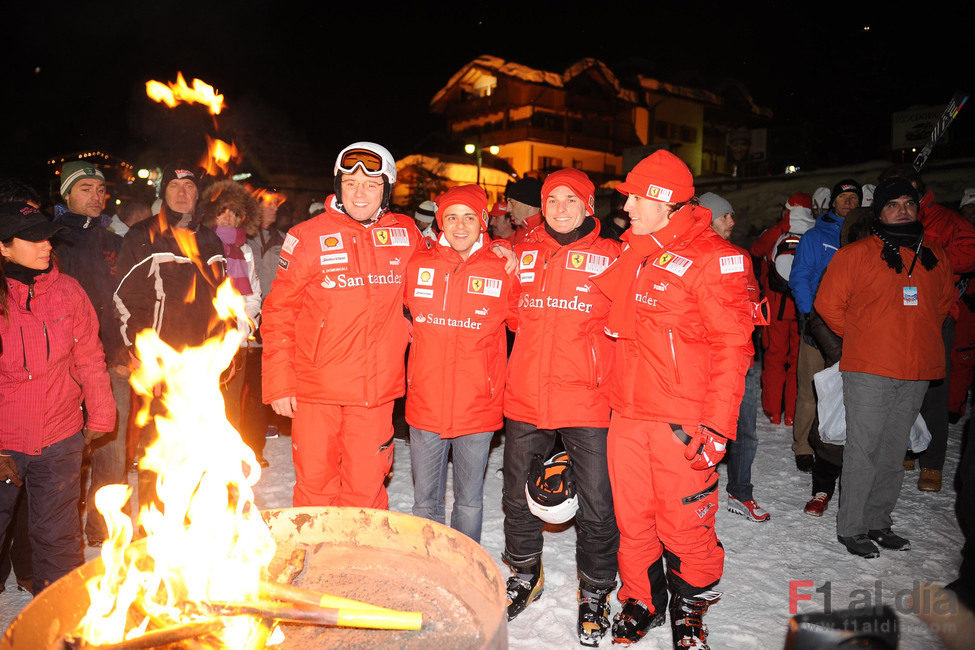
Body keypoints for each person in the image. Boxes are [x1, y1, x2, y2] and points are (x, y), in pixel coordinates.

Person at [591, 151, 753, 648]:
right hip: (628, 415)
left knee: (684, 524)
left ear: (663, 200)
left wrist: (718, 426)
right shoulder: (633, 249)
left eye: (636, 197)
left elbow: (733, 348)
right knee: (632, 519)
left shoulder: (714, 257)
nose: (627, 206)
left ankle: (690, 607)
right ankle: (642, 599)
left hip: (680, 421)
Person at [261, 142, 425, 509]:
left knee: (366, 490)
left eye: (371, 183)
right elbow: (278, 311)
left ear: (387, 188)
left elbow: (442, 271)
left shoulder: (407, 234)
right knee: (315, 488)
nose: (360, 192)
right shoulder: (307, 236)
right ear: (338, 187)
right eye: (351, 182)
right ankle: (317, 561)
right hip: (316, 389)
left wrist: (493, 250)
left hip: (376, 391)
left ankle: (361, 563)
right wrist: (279, 381)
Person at [501, 168, 621, 646]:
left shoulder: (613, 257)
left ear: (588, 206)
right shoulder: (521, 252)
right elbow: (510, 313)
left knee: (596, 503)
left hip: (587, 397)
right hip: (527, 392)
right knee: (516, 494)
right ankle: (525, 572)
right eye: (553, 199)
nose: (561, 208)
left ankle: (594, 592)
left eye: (572, 200)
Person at [814, 177, 954, 557]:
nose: (903, 209)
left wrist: (916, 334)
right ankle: (853, 528)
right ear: (880, 213)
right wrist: (864, 336)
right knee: (864, 450)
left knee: (896, 451)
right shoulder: (855, 255)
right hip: (870, 368)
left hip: (917, 368)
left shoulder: (937, 256)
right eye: (893, 204)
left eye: (909, 203)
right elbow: (828, 305)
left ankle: (879, 521)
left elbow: (941, 308)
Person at [0, 202, 115, 593]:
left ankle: (61, 615)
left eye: (46, 235)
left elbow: (90, 356)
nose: (46, 245)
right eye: (32, 237)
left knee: (60, 537)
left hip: (60, 433)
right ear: (3, 246)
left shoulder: (67, 290)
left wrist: (99, 415)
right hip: (6, 441)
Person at [403, 184, 513, 542]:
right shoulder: (418, 263)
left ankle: (464, 570)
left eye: (469, 217)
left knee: (469, 502)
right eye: (451, 217)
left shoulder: (502, 268)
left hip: (477, 407)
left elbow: (527, 324)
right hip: (426, 403)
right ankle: (428, 569)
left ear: (483, 223)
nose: (460, 226)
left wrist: (507, 248)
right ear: (440, 223)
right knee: (424, 504)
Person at [113, 163, 226, 511]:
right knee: (158, 446)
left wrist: (225, 352)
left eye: (189, 187)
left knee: (198, 445)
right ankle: (152, 527)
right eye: (174, 185)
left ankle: (190, 522)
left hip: (202, 363)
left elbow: (223, 300)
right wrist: (139, 352)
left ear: (197, 194)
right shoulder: (141, 235)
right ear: (163, 191)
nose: (182, 193)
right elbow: (123, 298)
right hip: (160, 362)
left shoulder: (210, 238)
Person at [879, 166, 975, 492]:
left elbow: (970, 251)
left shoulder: (944, 220)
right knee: (902, 385)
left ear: (919, 192)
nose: (903, 206)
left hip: (937, 316)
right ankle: (907, 446)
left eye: (909, 197)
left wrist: (931, 256)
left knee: (935, 388)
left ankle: (932, 462)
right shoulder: (887, 217)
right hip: (899, 315)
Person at [52, 161, 128, 548]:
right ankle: (59, 537)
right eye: (85, 189)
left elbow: (126, 301)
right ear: (66, 195)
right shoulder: (51, 243)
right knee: (64, 452)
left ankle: (104, 529)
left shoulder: (114, 242)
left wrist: (126, 347)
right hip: (61, 366)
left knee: (112, 449)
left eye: (100, 190)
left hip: (111, 359)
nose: (96, 196)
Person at [699, 192, 770, 523]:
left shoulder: (740, 256)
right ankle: (696, 495)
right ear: (709, 217)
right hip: (706, 361)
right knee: (701, 431)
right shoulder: (694, 255)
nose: (733, 221)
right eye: (726, 216)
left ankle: (740, 493)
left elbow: (752, 300)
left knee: (746, 431)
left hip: (744, 358)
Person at [789, 179, 861, 477]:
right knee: (810, 389)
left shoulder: (866, 236)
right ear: (833, 202)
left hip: (857, 327)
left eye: (853, 197)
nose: (848, 202)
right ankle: (803, 446)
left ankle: (843, 443)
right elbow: (800, 276)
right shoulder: (815, 236)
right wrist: (807, 314)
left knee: (852, 392)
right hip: (818, 324)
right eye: (842, 197)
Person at [200, 181, 264, 463]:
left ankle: (228, 472)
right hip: (200, 343)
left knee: (232, 410)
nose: (228, 218)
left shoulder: (245, 251)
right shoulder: (198, 243)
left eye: (235, 213)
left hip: (235, 343)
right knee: (199, 408)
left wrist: (244, 328)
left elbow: (253, 294)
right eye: (223, 211)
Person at [749, 193, 814, 428]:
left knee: (774, 359)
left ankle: (773, 411)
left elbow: (755, 251)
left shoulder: (776, 232)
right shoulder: (814, 233)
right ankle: (792, 413)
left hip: (775, 307)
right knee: (797, 361)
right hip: (802, 308)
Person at [505, 176, 543, 245]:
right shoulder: (518, 230)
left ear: (529, 204)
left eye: (512, 203)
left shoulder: (547, 235)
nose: (508, 209)